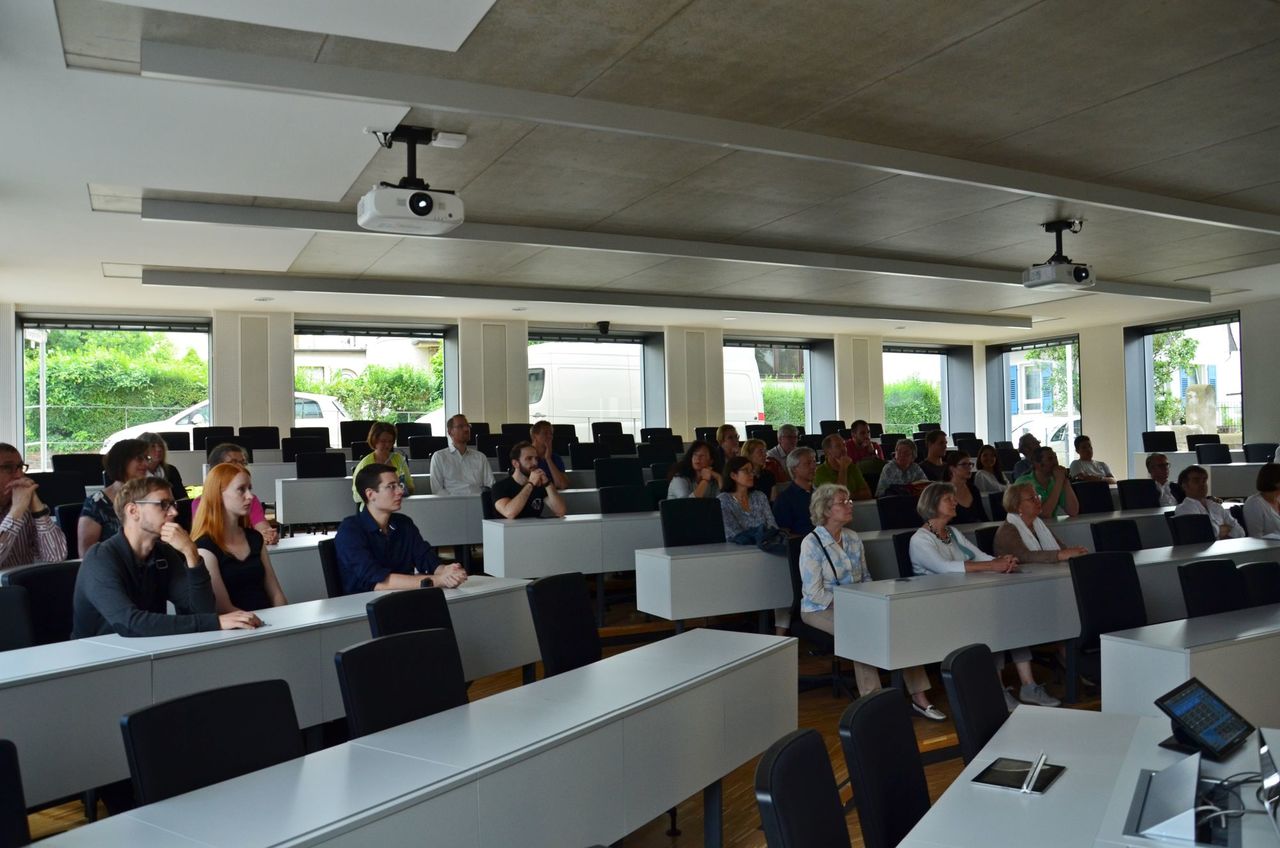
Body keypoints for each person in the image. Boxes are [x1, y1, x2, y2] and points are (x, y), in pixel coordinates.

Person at [800, 484, 945, 721]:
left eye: (849, 501)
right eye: (842, 502)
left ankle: (920, 698)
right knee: (861, 633)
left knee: (897, 626)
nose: (849, 505)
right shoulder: (811, 543)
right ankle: (875, 705)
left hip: (858, 603)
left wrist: (867, 602)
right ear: (826, 509)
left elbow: (865, 577)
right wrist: (854, 605)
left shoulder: (853, 538)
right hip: (819, 609)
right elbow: (814, 593)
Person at [910, 484, 1061, 708]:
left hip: (967, 599)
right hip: (938, 605)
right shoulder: (920, 539)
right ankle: (996, 689)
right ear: (932, 505)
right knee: (994, 622)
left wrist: (1002, 561)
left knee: (1008, 618)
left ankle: (1028, 685)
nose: (955, 502)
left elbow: (980, 555)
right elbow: (944, 567)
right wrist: (992, 565)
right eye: (948, 499)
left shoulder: (953, 533)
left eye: (954, 498)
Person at [72, 477, 262, 637]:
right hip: (97, 662)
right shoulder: (100, 558)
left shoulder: (163, 552)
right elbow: (129, 623)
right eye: (163, 505)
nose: (174, 512)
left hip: (148, 652)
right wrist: (215, 622)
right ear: (133, 511)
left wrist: (191, 554)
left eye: (173, 504)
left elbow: (200, 610)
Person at [334, 463, 469, 594]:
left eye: (399, 485)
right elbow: (377, 580)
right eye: (391, 487)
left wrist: (447, 571)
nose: (400, 491)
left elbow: (426, 558)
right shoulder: (350, 530)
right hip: (361, 606)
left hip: (403, 598)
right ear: (370, 494)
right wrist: (438, 580)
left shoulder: (404, 523)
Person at [191, 463, 288, 612]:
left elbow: (276, 594)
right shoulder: (205, 547)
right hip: (239, 629)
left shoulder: (255, 539)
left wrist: (283, 619)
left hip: (269, 622)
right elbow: (224, 608)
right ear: (218, 495)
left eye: (249, 488)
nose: (250, 496)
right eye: (241, 490)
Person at [191, 443, 278, 545]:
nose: (240, 467)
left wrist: (269, 535)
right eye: (233, 462)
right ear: (218, 468)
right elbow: (206, 537)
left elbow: (263, 527)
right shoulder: (201, 502)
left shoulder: (251, 499)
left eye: (243, 462)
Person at [0, 443, 67, 571]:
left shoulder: (25, 505)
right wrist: (16, 511)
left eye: (20, 467)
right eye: (8, 468)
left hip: (23, 587)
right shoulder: (20, 508)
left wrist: (36, 506)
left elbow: (56, 557)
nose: (19, 475)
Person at [78, 438, 149, 556]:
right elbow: (86, 554)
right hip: (111, 568)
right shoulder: (97, 503)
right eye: (139, 459)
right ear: (122, 462)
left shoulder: (151, 497)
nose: (146, 464)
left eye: (147, 459)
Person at [993, 483, 1090, 563]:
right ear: (1017, 506)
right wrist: (1060, 555)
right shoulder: (1007, 530)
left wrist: (1075, 552)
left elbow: (1061, 547)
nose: (1038, 501)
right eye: (1032, 499)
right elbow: (1024, 557)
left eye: (1037, 496)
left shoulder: (1038, 524)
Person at [492, 441, 567, 519]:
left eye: (536, 458)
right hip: (508, 530)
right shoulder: (499, 487)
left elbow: (560, 511)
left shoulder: (539, 486)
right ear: (515, 463)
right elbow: (510, 513)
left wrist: (547, 483)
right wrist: (530, 484)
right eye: (529, 458)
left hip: (533, 529)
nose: (535, 463)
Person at [1173, 465, 1244, 539]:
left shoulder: (1216, 506)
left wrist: (1217, 533)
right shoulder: (1184, 508)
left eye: (1204, 481)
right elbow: (1204, 535)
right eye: (1196, 481)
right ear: (1185, 486)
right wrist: (1225, 529)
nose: (1202, 484)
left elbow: (1240, 532)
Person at [718, 456, 779, 544]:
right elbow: (732, 533)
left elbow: (772, 525)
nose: (752, 474)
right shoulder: (723, 500)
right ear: (733, 475)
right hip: (736, 552)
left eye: (752, 471)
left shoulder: (760, 496)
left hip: (766, 548)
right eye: (746, 471)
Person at [429, 414, 494, 495]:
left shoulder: (480, 457)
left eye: (467, 426)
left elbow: (490, 485)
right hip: (451, 504)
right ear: (450, 432)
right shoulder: (439, 457)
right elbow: (437, 490)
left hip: (478, 503)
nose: (466, 429)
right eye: (460, 426)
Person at [351, 422, 414, 504]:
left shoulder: (399, 460)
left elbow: (410, 486)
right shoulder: (365, 463)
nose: (387, 445)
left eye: (390, 441)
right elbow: (357, 496)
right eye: (383, 441)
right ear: (374, 440)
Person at [1015, 447, 1080, 518]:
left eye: (1056, 458)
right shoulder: (1023, 483)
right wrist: (1058, 482)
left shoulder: (1057, 481)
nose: (1056, 462)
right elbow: (1043, 514)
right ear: (1038, 464)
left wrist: (1065, 481)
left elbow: (1073, 511)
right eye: (1050, 459)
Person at [773, 447, 818, 535]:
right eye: (808, 463)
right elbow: (783, 531)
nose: (813, 466)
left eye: (814, 462)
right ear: (794, 469)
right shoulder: (785, 499)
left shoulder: (821, 494)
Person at [814, 434, 871, 500]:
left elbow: (867, 494)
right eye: (838, 446)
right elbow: (837, 497)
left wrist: (847, 496)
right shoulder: (820, 472)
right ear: (828, 451)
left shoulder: (852, 467)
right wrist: (843, 467)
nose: (843, 449)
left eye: (844, 445)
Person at [942, 450, 986, 524]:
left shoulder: (973, 489)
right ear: (952, 468)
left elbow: (983, 516)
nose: (969, 467)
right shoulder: (943, 491)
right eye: (964, 464)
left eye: (970, 464)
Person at [138, 432, 187, 497]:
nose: (159, 449)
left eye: (161, 446)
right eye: (153, 446)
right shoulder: (136, 473)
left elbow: (182, 498)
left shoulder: (171, 470)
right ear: (142, 450)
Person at [1242, 463, 1280, 540]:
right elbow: (1256, 538)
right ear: (1276, 482)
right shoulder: (1254, 503)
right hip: (1269, 550)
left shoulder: (1278, 499)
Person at [529, 420, 570, 490]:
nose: (549, 436)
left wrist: (548, 459)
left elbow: (562, 485)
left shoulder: (555, 458)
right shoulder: (525, 456)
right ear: (534, 436)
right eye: (545, 433)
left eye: (551, 434)